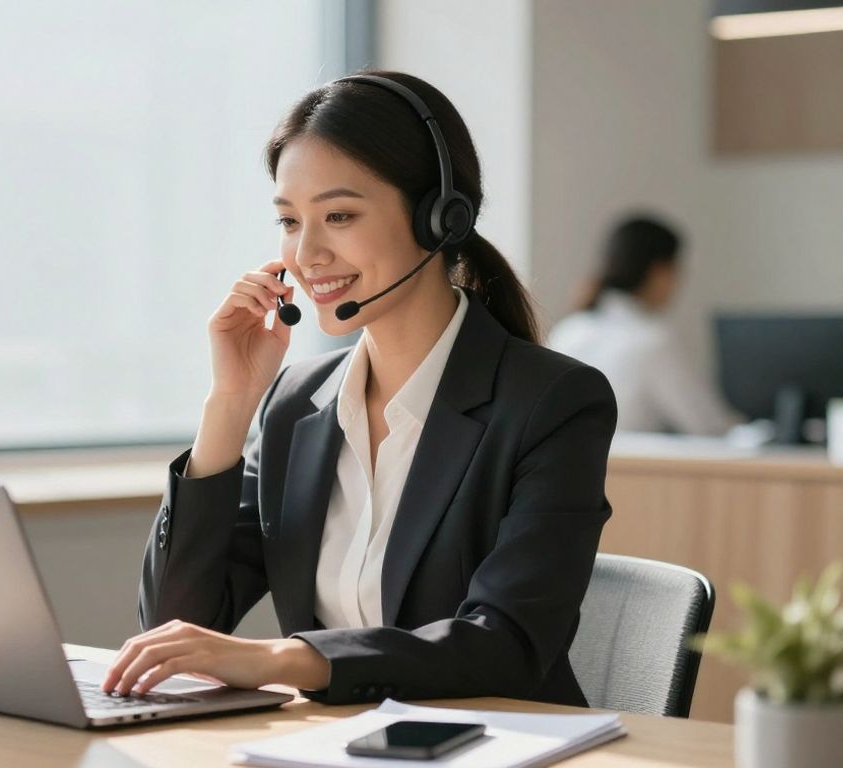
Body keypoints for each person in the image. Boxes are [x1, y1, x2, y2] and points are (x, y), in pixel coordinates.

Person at [99, 71, 618, 706]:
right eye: (289, 221)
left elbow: (505, 644)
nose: (306, 252)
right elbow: (173, 621)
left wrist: (286, 658)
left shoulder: (553, 402)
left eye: (339, 215)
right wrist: (230, 404)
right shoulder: (295, 403)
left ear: (439, 219)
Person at [548, 215, 741, 435]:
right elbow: (708, 426)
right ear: (660, 272)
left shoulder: (569, 330)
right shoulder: (652, 339)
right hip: (632, 467)